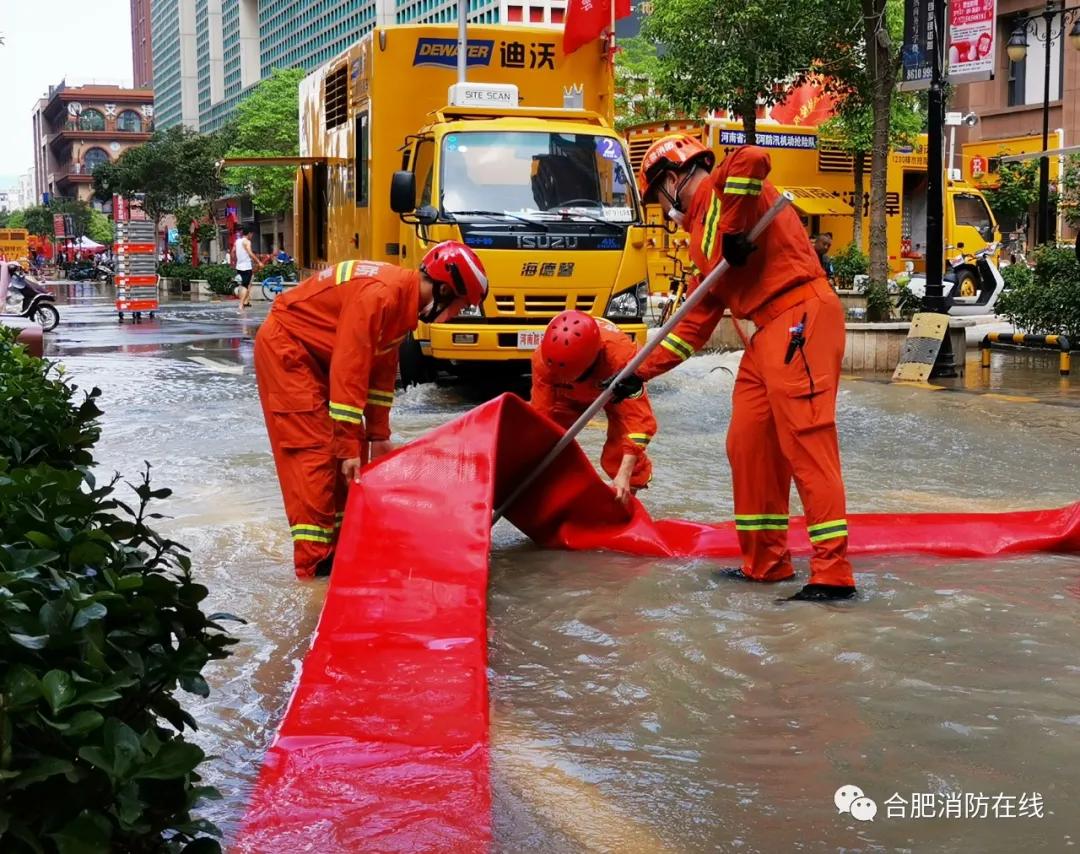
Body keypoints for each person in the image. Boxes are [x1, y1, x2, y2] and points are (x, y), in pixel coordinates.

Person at [613, 134, 855, 602]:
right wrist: (635, 373)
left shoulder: (726, 189)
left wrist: (734, 230)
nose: (663, 210)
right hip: (766, 334)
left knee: (807, 440)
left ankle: (833, 573)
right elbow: (692, 325)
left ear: (674, 176)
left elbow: (754, 157)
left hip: (800, 316)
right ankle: (765, 563)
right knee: (748, 444)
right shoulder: (700, 244)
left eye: (658, 197)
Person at [254, 241, 488, 578]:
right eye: (460, 307)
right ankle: (314, 571)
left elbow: (379, 374)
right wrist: (349, 444)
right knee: (316, 457)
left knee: (350, 467)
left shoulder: (401, 304)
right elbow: (350, 370)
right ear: (443, 290)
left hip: (319, 358)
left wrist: (378, 435)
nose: (454, 316)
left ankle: (337, 552)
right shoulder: (380, 296)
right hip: (288, 352)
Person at [531, 311, 657, 504]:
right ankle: (550, 494)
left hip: (612, 389)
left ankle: (626, 497)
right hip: (568, 394)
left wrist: (624, 474)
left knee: (621, 452)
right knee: (548, 440)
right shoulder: (544, 360)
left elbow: (639, 422)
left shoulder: (624, 360)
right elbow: (542, 415)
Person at [231, 226, 262, 310]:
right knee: (245, 285)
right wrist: (258, 262)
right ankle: (241, 304)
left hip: (239, 267)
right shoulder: (247, 242)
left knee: (242, 285)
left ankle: (243, 302)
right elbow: (250, 253)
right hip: (246, 267)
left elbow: (233, 252)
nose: (252, 236)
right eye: (251, 234)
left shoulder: (237, 241)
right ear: (249, 233)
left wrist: (234, 262)